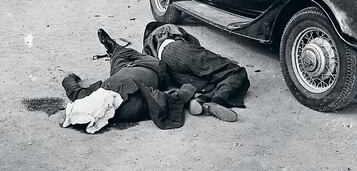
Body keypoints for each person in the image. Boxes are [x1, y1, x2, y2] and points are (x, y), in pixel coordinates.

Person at [61, 29, 197, 132]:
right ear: (103, 116)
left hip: (120, 70)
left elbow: (72, 89)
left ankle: (113, 49)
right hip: (152, 66)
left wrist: (69, 77)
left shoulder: (90, 96)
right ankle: (118, 50)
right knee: (147, 53)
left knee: (119, 57)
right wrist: (184, 94)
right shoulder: (130, 109)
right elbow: (162, 101)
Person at [142, 22, 251, 122]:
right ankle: (219, 100)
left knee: (211, 82)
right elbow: (195, 44)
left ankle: (202, 100)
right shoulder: (166, 28)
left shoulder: (147, 48)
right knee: (236, 71)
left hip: (169, 70)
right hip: (177, 50)